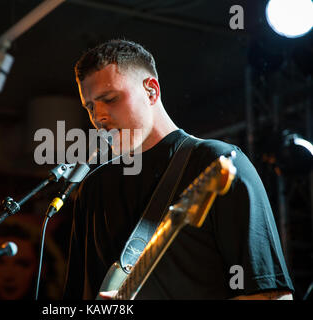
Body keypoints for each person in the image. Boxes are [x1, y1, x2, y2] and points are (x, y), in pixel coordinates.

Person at [63, 39, 294, 300]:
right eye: (90, 106)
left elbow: (272, 296)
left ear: (151, 91)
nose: (99, 116)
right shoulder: (92, 189)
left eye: (110, 99)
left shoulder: (217, 163)